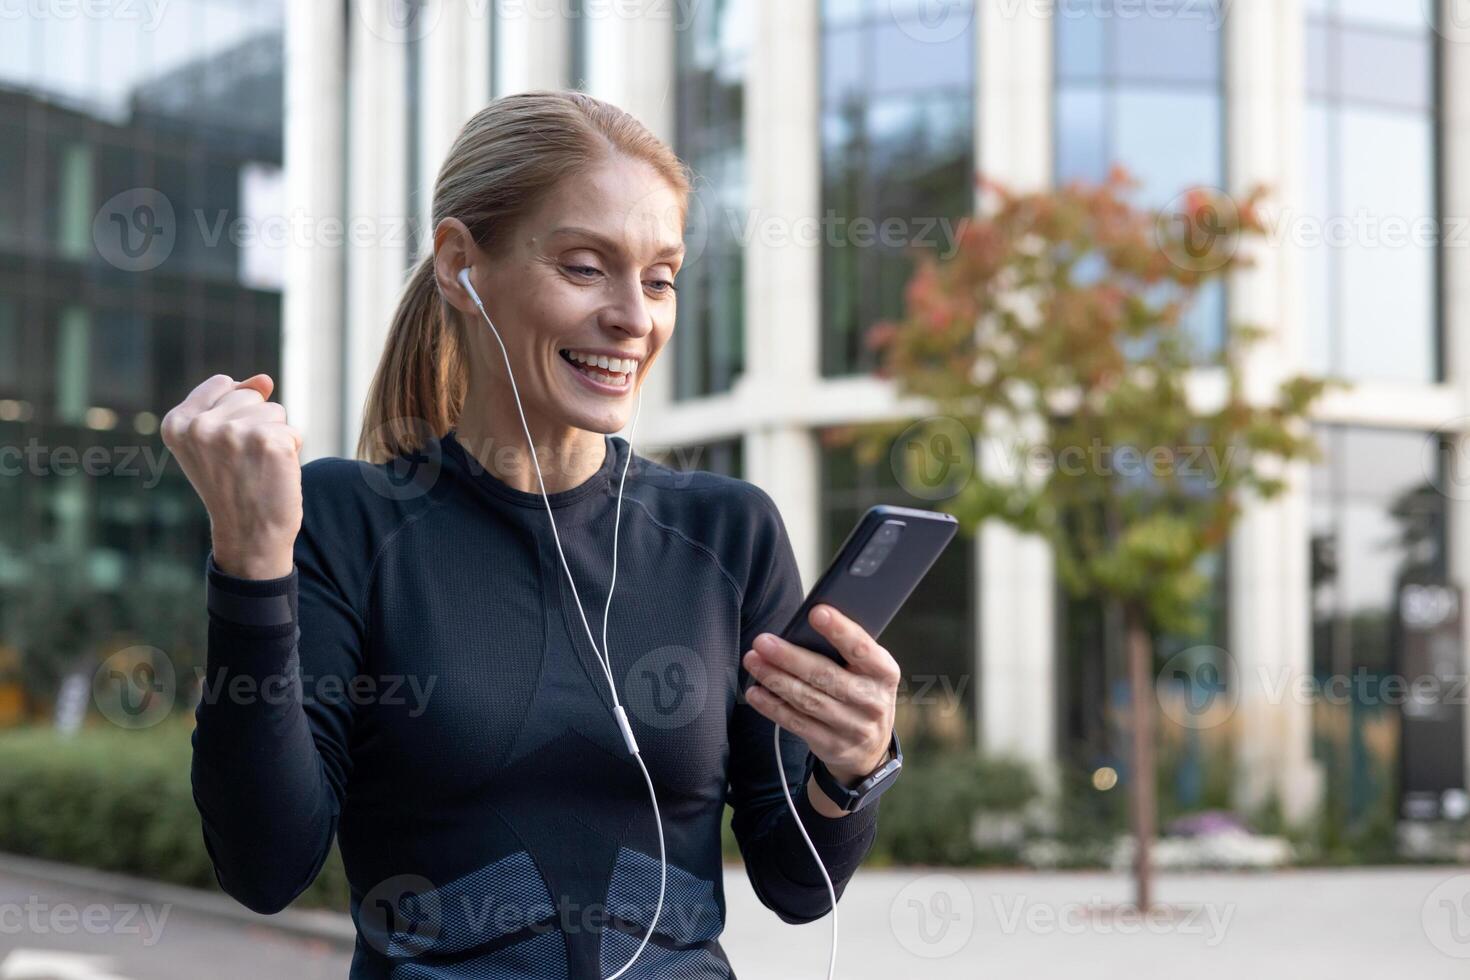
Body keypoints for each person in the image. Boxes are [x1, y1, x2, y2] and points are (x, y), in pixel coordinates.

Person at [164, 90, 901, 979]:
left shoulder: (726, 532)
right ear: (459, 266)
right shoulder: (347, 523)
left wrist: (852, 766)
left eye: (661, 277)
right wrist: (250, 565)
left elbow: (798, 881)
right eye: (587, 267)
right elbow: (264, 866)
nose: (636, 316)